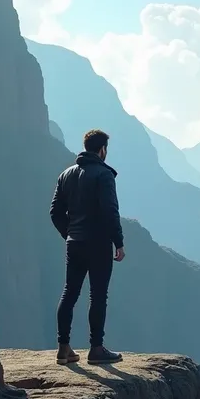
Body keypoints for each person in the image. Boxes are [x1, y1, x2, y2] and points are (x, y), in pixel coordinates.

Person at [50, 129, 125, 366]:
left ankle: (64, 348)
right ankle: (96, 348)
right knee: (98, 295)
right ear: (102, 149)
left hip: (75, 243)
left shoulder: (66, 175)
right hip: (99, 243)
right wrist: (119, 242)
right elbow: (110, 211)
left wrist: (69, 233)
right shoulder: (104, 175)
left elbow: (55, 212)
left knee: (69, 293)